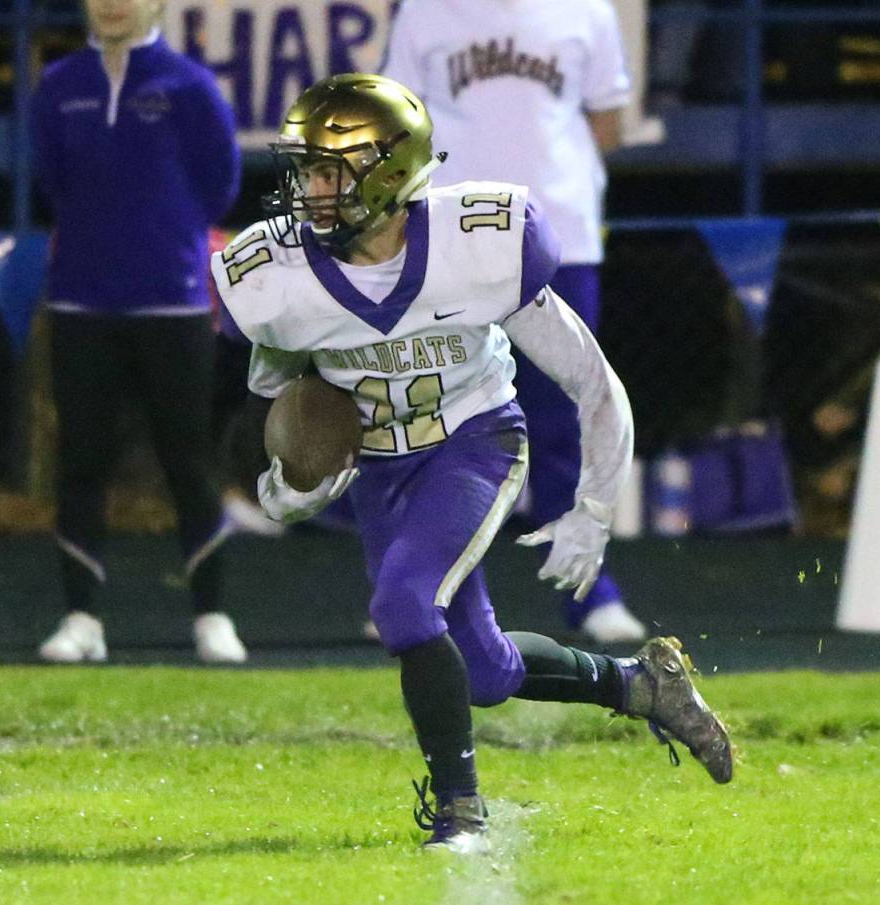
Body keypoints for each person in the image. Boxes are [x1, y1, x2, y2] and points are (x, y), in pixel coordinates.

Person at [214, 73, 732, 853]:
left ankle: (460, 810)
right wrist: (286, 485)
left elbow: (592, 381)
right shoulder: (281, 278)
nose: (309, 191)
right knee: (483, 670)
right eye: (306, 171)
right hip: (381, 470)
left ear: (387, 173)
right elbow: (278, 408)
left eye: (327, 172)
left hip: (473, 441)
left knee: (403, 603)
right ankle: (641, 685)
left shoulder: (478, 243)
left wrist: (593, 507)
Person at [381, 0, 646, 642]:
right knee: (436, 420)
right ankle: (421, 590)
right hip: (450, 243)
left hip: (560, 239)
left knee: (569, 416)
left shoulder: (586, 10)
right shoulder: (425, 11)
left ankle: (589, 591)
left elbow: (608, 124)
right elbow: (394, 127)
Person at [30, 0, 246, 663]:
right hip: (81, 303)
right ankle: (81, 620)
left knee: (188, 462)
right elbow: (51, 183)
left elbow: (220, 186)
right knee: (81, 463)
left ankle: (212, 616)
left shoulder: (191, 86)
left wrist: (162, 244)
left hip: (172, 305)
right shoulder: (58, 86)